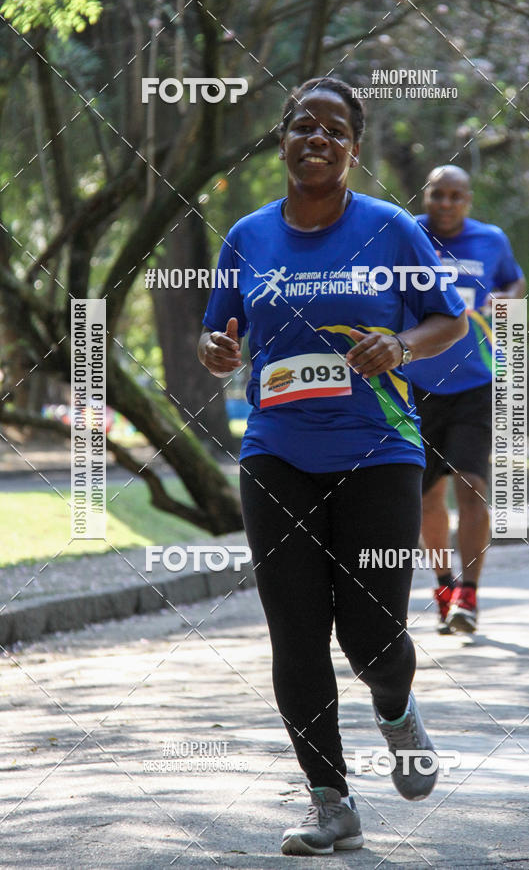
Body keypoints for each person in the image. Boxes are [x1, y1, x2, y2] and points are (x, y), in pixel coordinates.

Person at [198, 79, 467, 856]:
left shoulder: (388, 229)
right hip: (276, 451)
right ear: (281, 140)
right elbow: (222, 335)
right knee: (296, 632)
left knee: (373, 634)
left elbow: (450, 316)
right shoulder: (247, 235)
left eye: (335, 129)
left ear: (354, 147)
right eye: (302, 126)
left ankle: (395, 707)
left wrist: (404, 345)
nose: (317, 138)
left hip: (380, 451)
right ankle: (331, 802)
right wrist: (215, 350)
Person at [403, 166, 526, 635]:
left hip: (476, 380)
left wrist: (505, 300)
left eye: (457, 196)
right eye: (438, 195)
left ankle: (469, 596)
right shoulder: (407, 233)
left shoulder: (491, 240)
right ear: (426, 195)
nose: (447, 204)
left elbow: (515, 282)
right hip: (415, 382)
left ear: (468, 200)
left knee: (471, 484)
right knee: (426, 494)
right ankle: (443, 588)